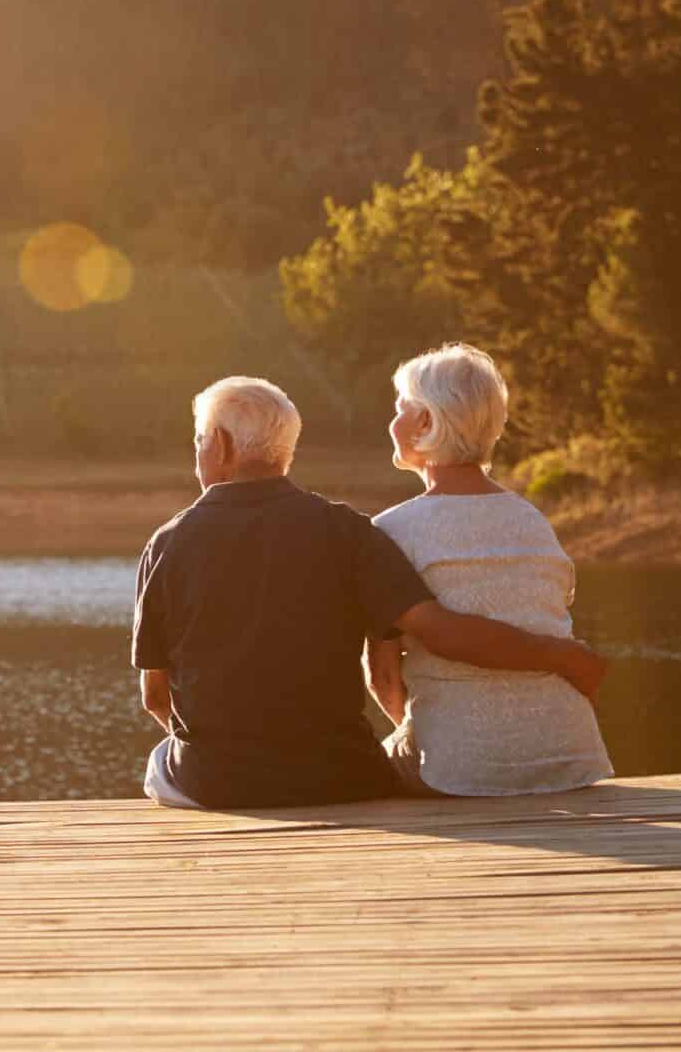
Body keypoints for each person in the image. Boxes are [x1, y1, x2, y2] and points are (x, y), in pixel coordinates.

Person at [135, 375, 606, 810]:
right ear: (286, 450)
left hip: (216, 782)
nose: (198, 453)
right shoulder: (351, 532)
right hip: (341, 776)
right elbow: (418, 643)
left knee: (160, 763)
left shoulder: (166, 544)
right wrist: (562, 656)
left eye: (199, 441)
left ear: (219, 445)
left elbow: (155, 697)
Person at [368, 344, 614, 796]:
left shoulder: (389, 531)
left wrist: (427, 734)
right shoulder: (533, 521)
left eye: (401, 409)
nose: (392, 422)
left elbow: (384, 680)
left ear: (425, 422)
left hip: (459, 771)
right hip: (570, 759)